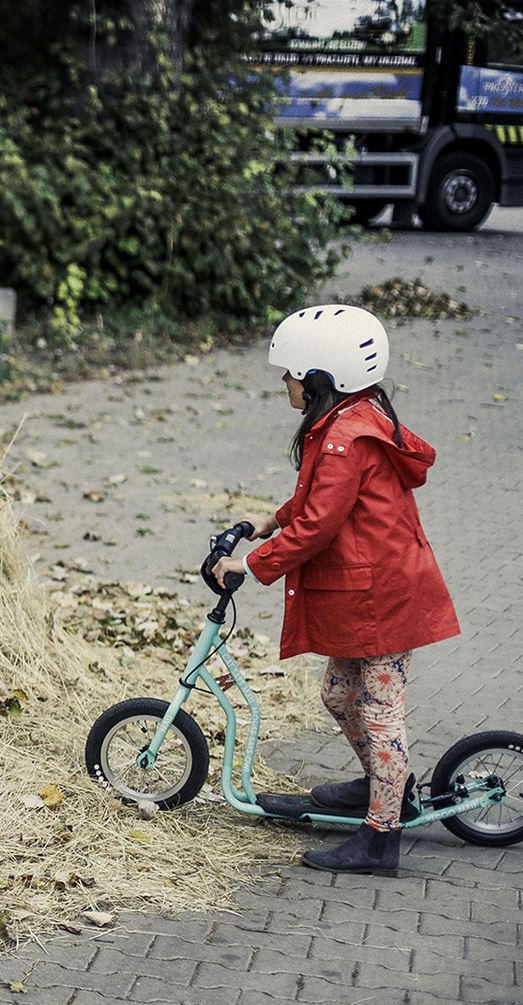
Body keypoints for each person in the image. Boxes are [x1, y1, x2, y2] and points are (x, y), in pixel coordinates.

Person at [211, 304, 460, 877]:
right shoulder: (344, 423)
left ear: (323, 379)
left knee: (378, 710)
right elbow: (315, 500)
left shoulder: (348, 437)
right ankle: (380, 785)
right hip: (369, 591)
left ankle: (381, 837)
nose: (285, 382)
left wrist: (250, 562)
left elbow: (319, 525)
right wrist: (265, 522)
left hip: (386, 597)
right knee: (339, 695)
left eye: (292, 373)